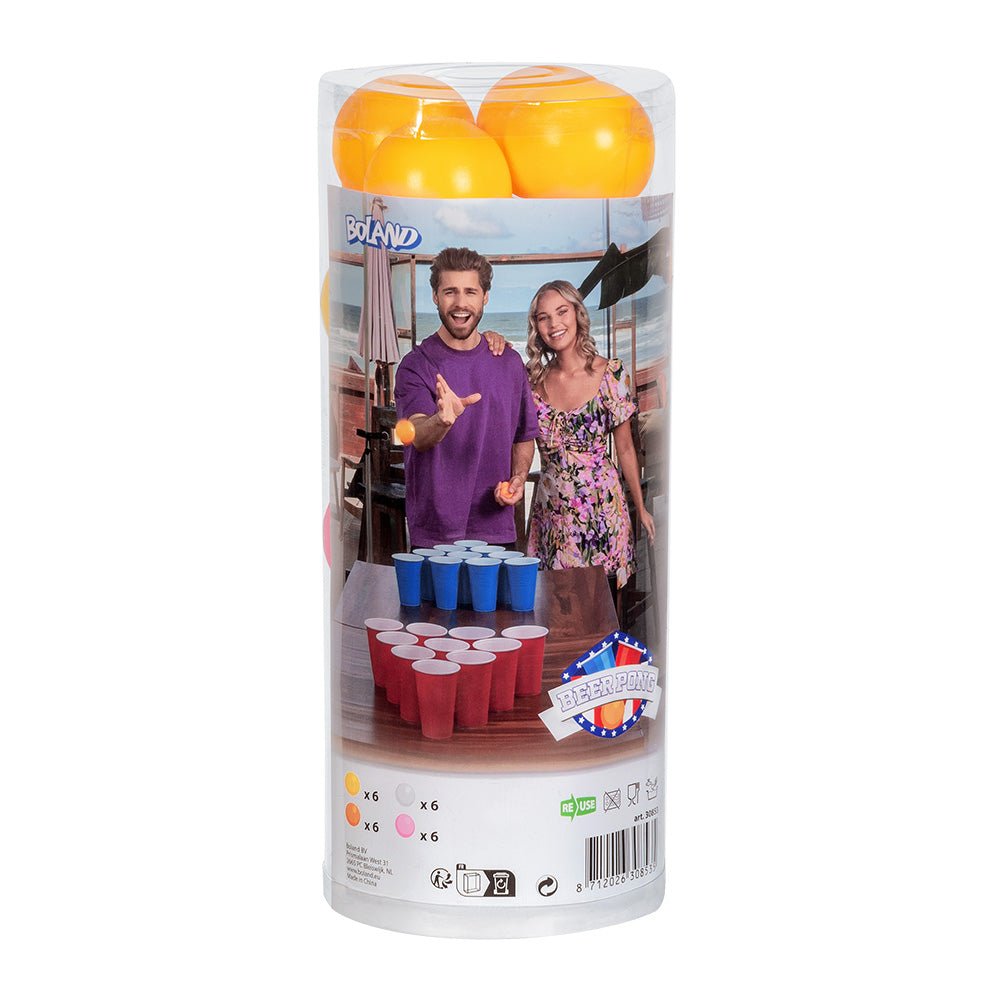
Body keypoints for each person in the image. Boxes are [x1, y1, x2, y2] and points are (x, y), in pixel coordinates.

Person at [393, 247, 538, 549]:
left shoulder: (509, 363)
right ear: (435, 296)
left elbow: (524, 435)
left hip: (497, 529)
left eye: (470, 292)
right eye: (450, 292)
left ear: (485, 297)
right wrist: (442, 421)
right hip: (434, 534)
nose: (460, 303)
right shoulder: (415, 365)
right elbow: (417, 434)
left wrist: (518, 477)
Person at [524, 280, 654, 590]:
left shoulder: (611, 374)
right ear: (537, 327)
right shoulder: (532, 382)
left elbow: (625, 449)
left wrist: (641, 507)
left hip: (602, 509)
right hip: (553, 516)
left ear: (577, 314)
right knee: (557, 608)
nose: (554, 324)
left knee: (602, 607)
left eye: (562, 312)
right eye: (544, 317)